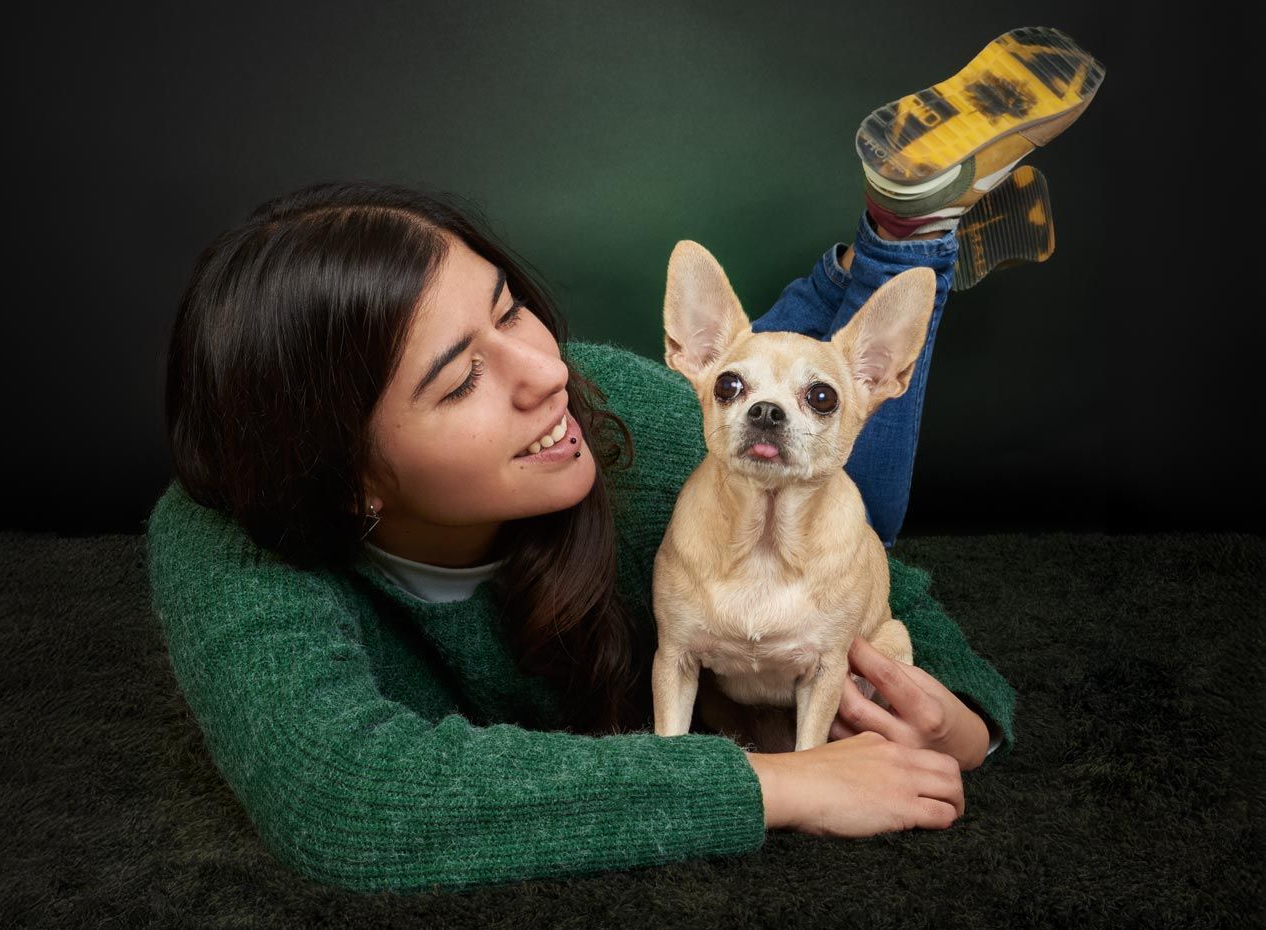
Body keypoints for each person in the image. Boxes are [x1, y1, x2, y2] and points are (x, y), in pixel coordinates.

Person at [146, 28, 1101, 895]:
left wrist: (961, 725)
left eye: (510, 307)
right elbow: (348, 799)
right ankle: (896, 248)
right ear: (344, 471)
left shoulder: (610, 418)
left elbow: (885, 588)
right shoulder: (228, 542)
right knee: (786, 403)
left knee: (805, 442)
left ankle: (895, 247)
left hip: (795, 528)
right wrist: (777, 784)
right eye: (457, 379)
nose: (544, 372)